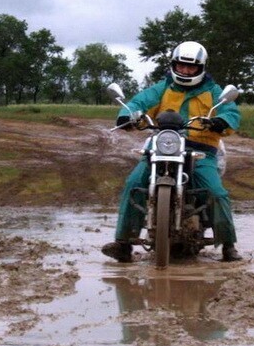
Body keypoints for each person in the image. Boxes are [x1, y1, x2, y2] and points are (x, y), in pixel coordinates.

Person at [102, 41, 243, 263]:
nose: (185, 70)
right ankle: (123, 243)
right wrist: (127, 115)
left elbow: (230, 112)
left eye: (191, 67)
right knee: (134, 183)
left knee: (216, 192)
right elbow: (139, 102)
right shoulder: (162, 88)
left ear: (201, 67)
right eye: (181, 65)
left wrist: (220, 121)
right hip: (162, 145)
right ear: (173, 65)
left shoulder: (214, 92)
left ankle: (228, 245)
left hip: (200, 150)